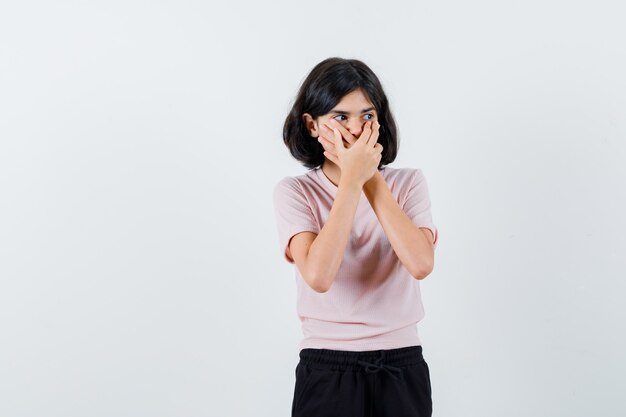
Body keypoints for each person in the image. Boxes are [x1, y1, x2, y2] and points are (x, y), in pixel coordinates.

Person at [273, 57, 439, 417]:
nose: (356, 129)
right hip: (327, 367)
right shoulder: (296, 192)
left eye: (367, 116)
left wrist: (370, 176)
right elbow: (318, 275)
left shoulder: (407, 184)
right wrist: (351, 181)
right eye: (340, 117)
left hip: (400, 363)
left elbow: (421, 263)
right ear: (311, 125)